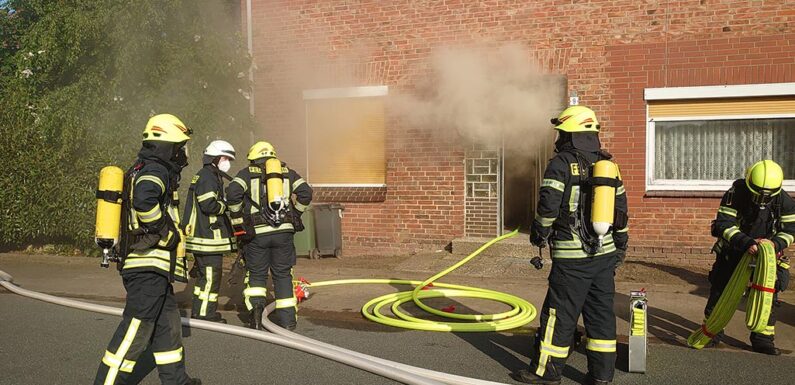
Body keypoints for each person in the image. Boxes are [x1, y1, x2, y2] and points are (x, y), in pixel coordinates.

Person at [513, 106, 629, 385]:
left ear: (569, 134)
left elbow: (549, 205)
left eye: (561, 133)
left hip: (572, 258)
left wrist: (539, 233)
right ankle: (602, 376)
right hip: (605, 255)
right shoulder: (609, 166)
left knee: (560, 314)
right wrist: (620, 246)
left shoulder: (561, 163)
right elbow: (621, 211)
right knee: (601, 315)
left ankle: (546, 372)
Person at [94, 114, 201, 385]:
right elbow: (144, 200)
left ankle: (176, 381)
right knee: (136, 329)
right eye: (180, 147)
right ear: (168, 146)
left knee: (167, 326)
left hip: (151, 267)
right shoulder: (156, 170)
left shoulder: (144, 167)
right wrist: (166, 233)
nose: (182, 154)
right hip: (146, 266)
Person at [705, 159, 794, 355]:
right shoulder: (736, 193)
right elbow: (723, 224)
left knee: (767, 295)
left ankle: (763, 339)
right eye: (758, 195)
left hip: (766, 257)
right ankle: (711, 333)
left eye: (767, 197)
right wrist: (746, 243)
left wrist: (774, 244)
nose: (762, 200)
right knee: (721, 291)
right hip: (734, 252)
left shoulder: (783, 200)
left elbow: (790, 230)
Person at [226, 141, 313, 330]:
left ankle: (256, 316)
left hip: (258, 234)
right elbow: (306, 192)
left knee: (257, 275)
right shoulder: (287, 172)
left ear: (253, 158)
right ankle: (288, 322)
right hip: (284, 233)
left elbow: (232, 193)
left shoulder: (247, 173)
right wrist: (295, 213)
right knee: (282, 275)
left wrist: (238, 219)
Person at [183, 140, 237, 323]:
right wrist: (227, 205)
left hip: (204, 237)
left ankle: (200, 310)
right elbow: (209, 205)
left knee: (204, 279)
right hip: (206, 238)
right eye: (226, 158)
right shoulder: (208, 177)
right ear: (215, 158)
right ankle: (206, 314)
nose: (227, 162)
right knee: (210, 278)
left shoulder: (207, 175)